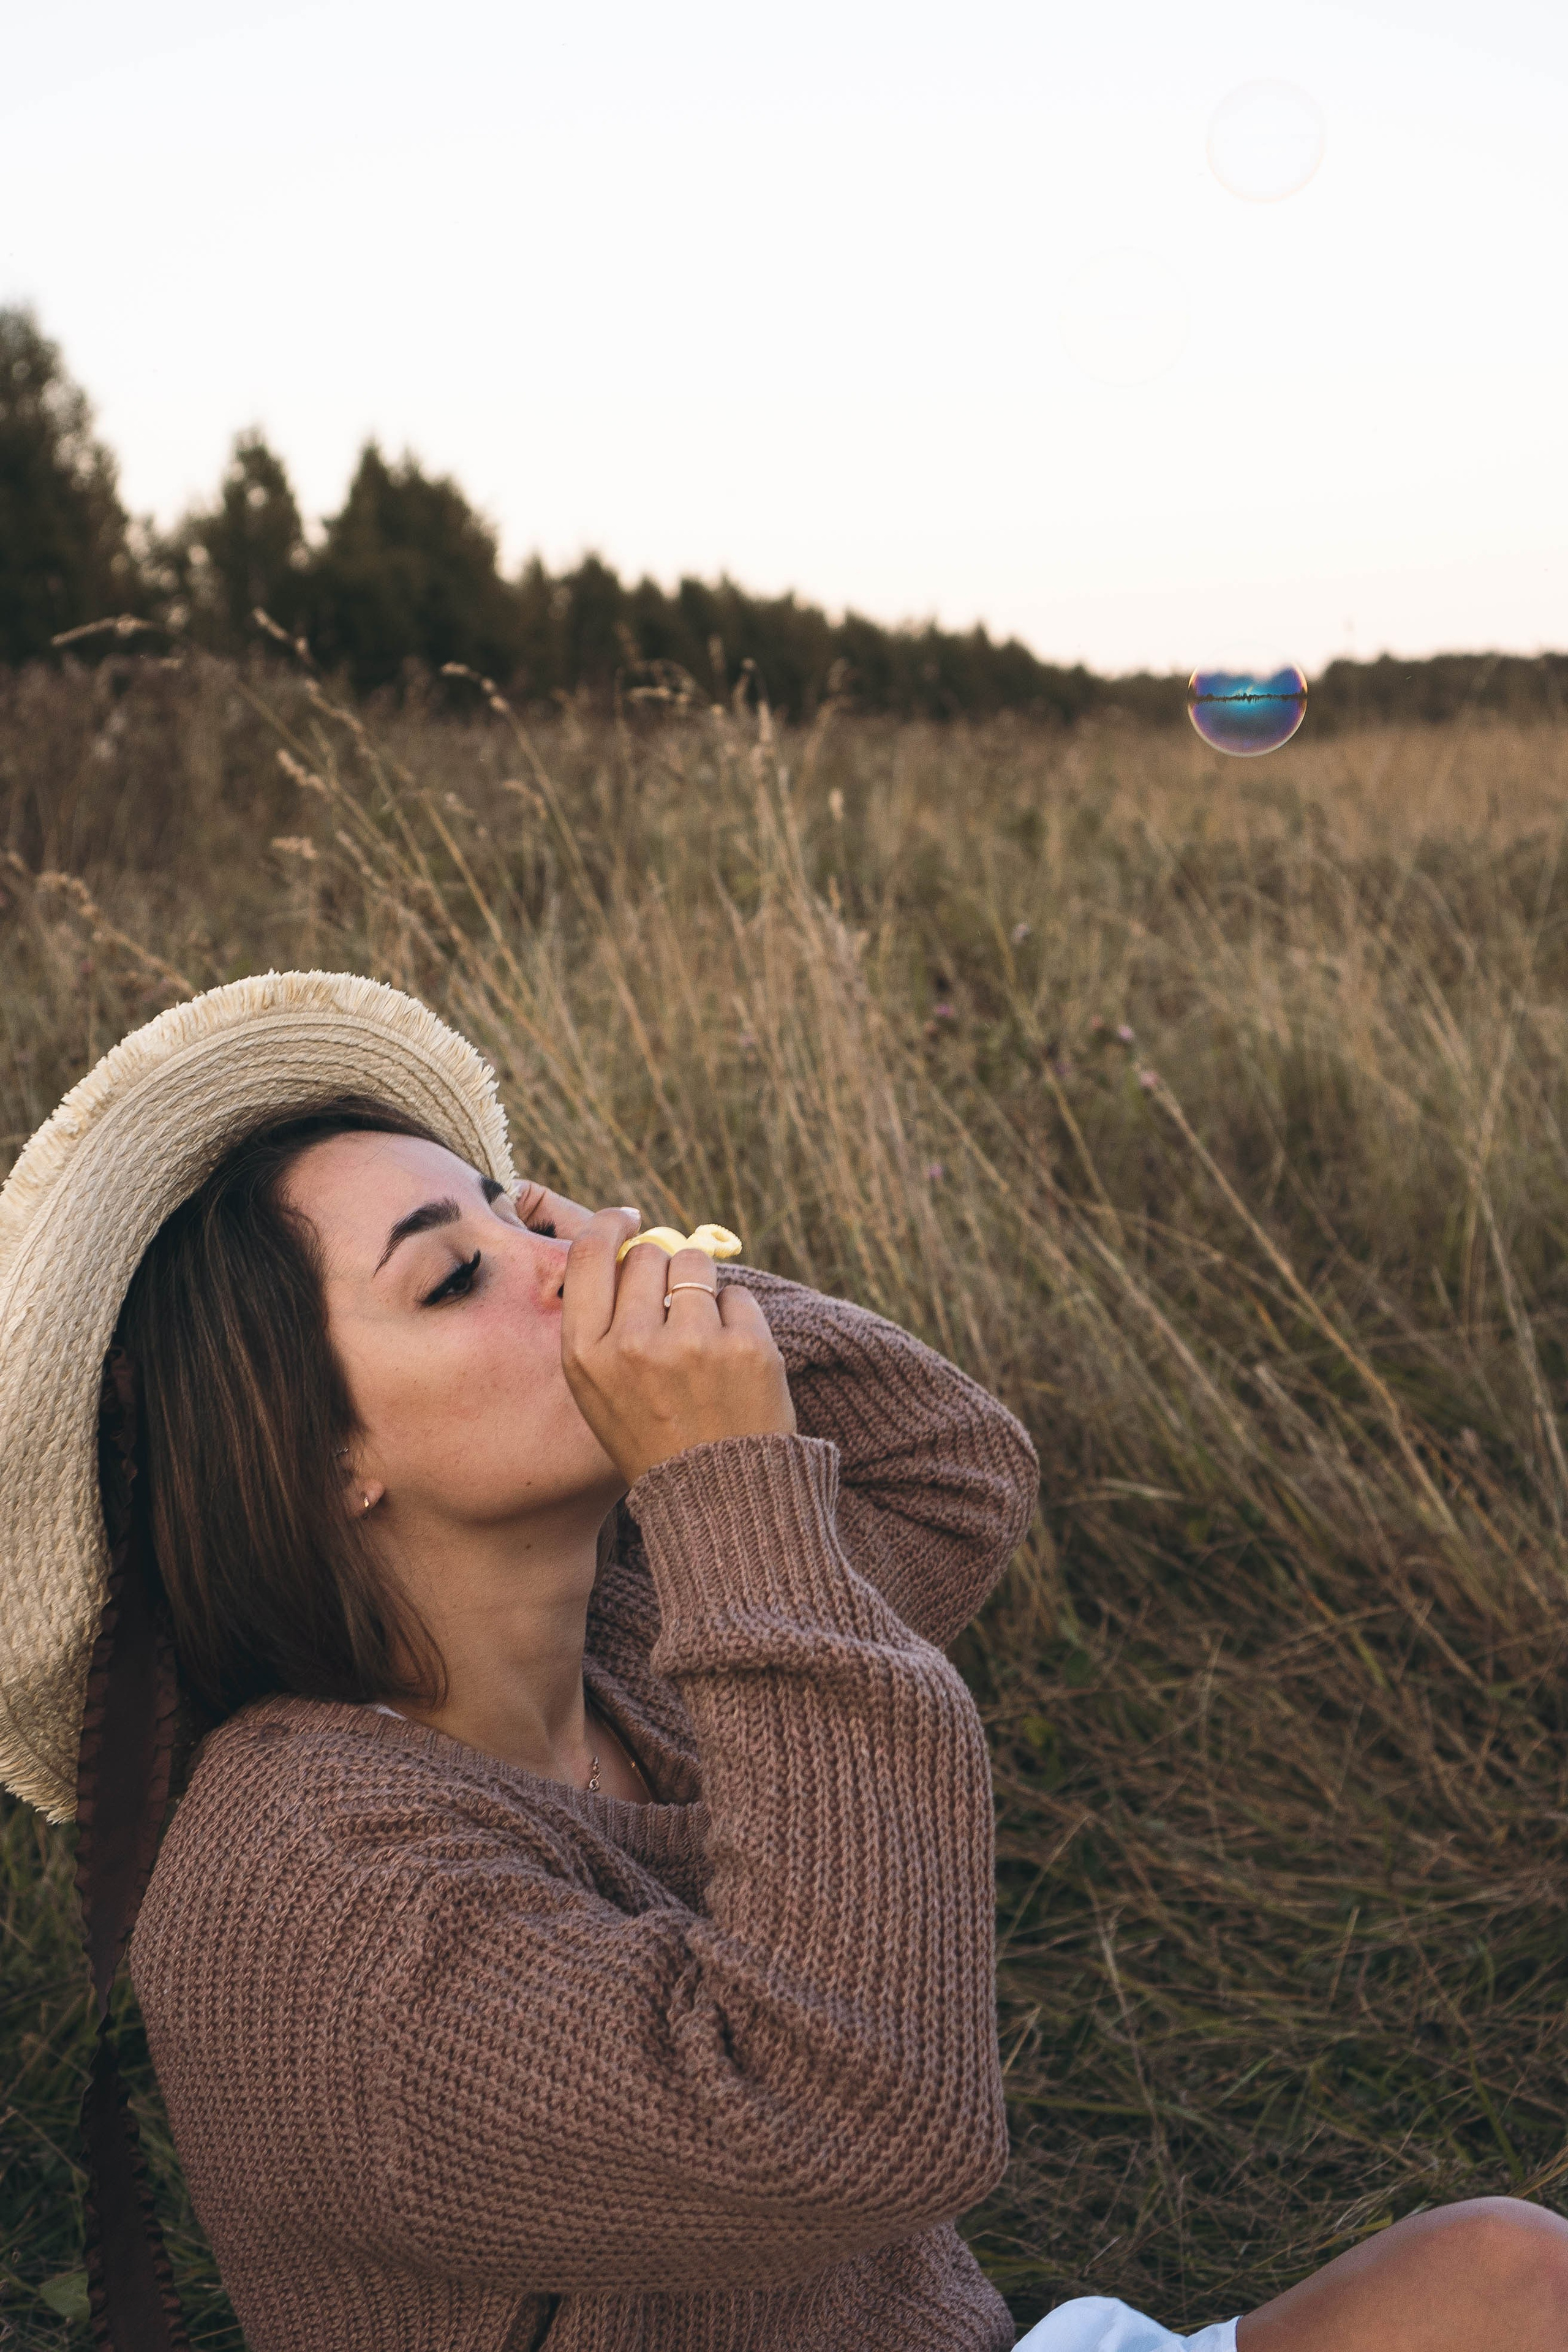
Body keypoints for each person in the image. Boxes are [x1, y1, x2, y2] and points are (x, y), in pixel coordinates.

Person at [0, 970, 1562, 2352]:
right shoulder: (303, 1885)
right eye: (455, 1271)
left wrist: (674, 1300)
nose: (567, 1258)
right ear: (320, 1457)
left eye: (517, 1204)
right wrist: (718, 1480)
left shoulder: (624, 1637)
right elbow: (865, 2120)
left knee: (1506, 2273)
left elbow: (944, 1471)